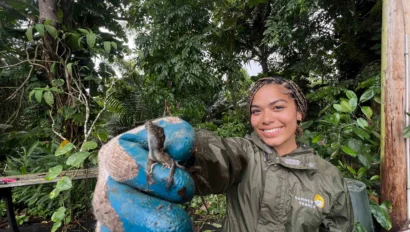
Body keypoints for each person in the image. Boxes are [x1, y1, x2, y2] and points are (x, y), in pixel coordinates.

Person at [93, 76, 354, 232]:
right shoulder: (245, 153)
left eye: (277, 107)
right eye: (256, 111)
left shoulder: (329, 178)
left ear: (299, 113)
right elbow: (217, 156)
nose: (265, 119)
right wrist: (188, 152)